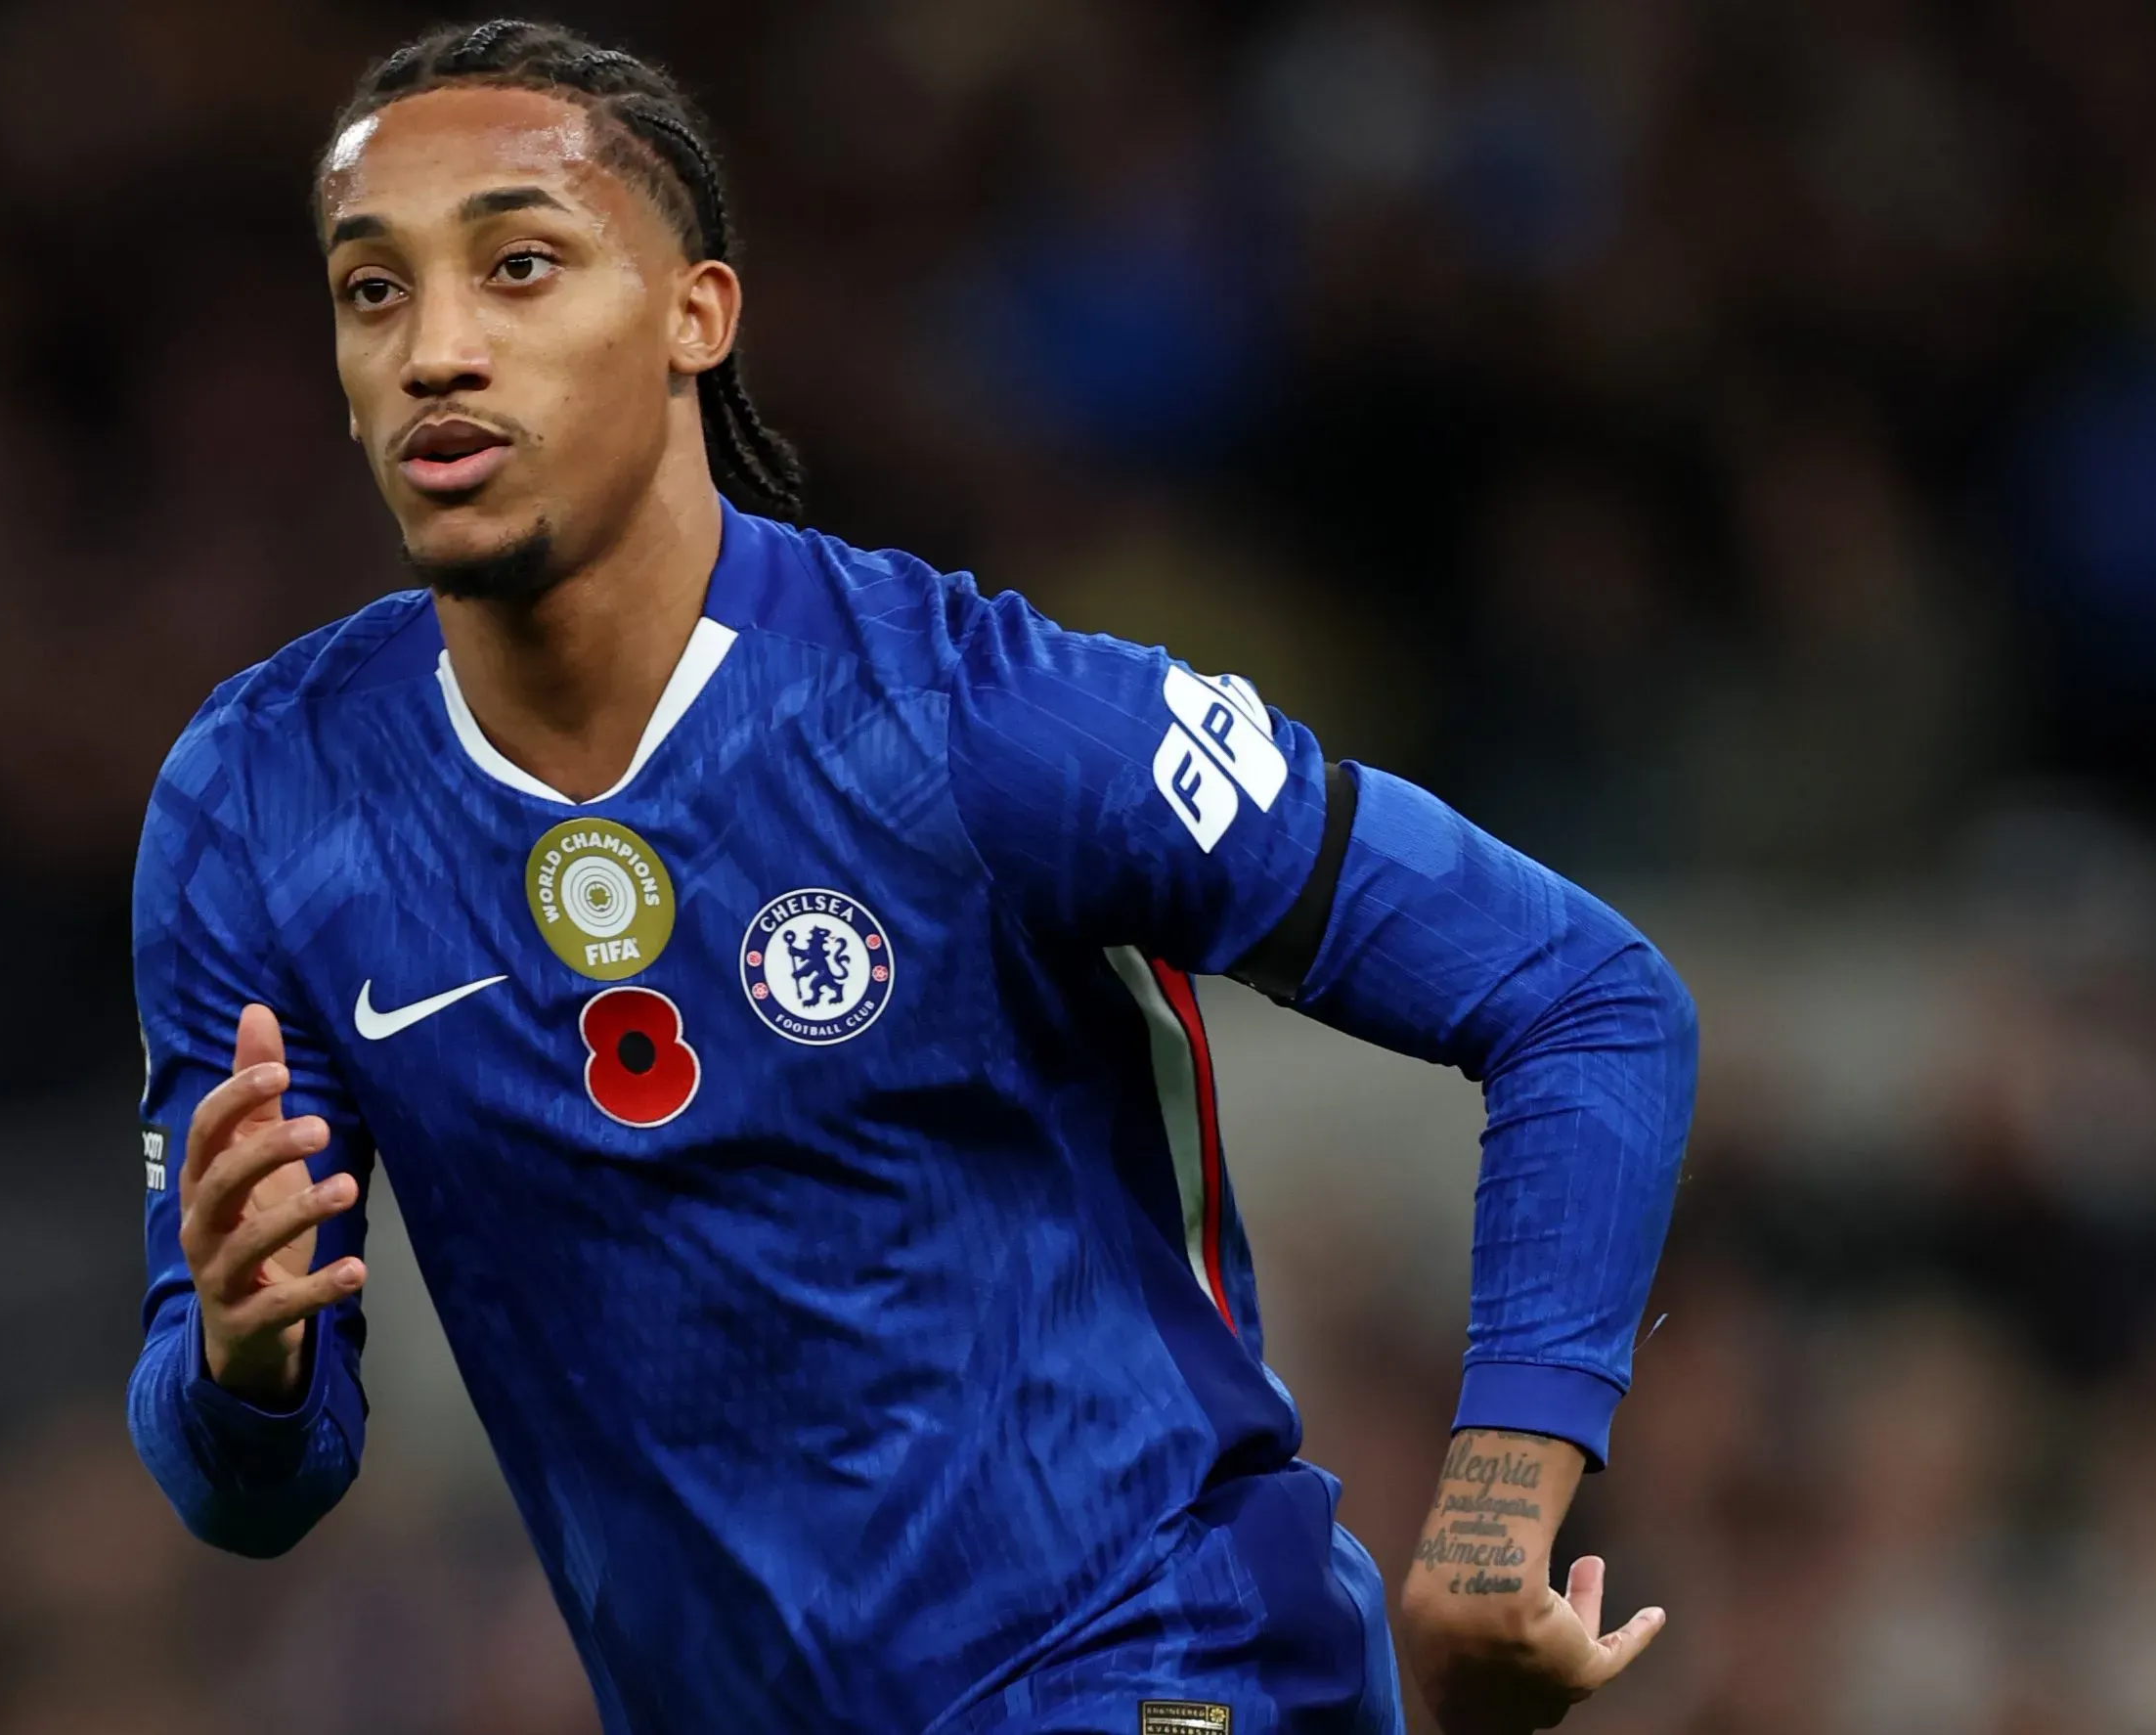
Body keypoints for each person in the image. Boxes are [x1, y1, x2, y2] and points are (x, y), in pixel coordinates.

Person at [125, 21, 1695, 1734]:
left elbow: (1582, 996)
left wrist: (1492, 1519)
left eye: (518, 267)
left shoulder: (974, 720)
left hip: (1160, 1669)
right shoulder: (263, 802)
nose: (436, 349)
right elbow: (247, 1483)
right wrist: (244, 1361)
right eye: (372, 290)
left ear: (693, 316)